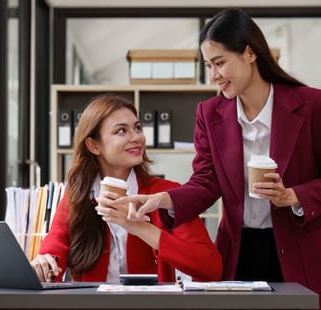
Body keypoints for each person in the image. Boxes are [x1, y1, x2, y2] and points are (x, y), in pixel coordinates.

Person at [114, 8, 321, 309]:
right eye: (208, 65)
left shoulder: (312, 105)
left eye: (220, 63)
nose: (214, 76)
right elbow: (205, 183)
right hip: (238, 252)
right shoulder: (210, 113)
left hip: (301, 253)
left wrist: (292, 196)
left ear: (250, 53)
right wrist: (160, 199)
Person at [30, 95, 222, 283]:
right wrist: (42, 265)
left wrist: (140, 228)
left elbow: (211, 268)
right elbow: (52, 258)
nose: (137, 137)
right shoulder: (77, 197)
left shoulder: (165, 195)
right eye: (122, 131)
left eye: (137, 128)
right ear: (94, 145)